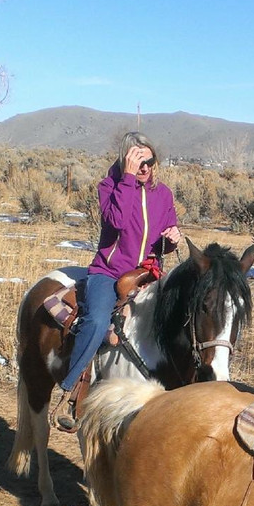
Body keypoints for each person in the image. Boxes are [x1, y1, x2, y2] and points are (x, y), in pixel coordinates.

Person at [51, 131, 182, 432]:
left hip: (147, 273)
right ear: (125, 160)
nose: (145, 168)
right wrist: (126, 178)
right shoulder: (109, 186)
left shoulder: (163, 194)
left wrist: (172, 239)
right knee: (97, 321)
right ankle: (72, 388)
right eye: (138, 161)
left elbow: (166, 233)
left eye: (149, 161)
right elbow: (117, 222)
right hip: (108, 273)